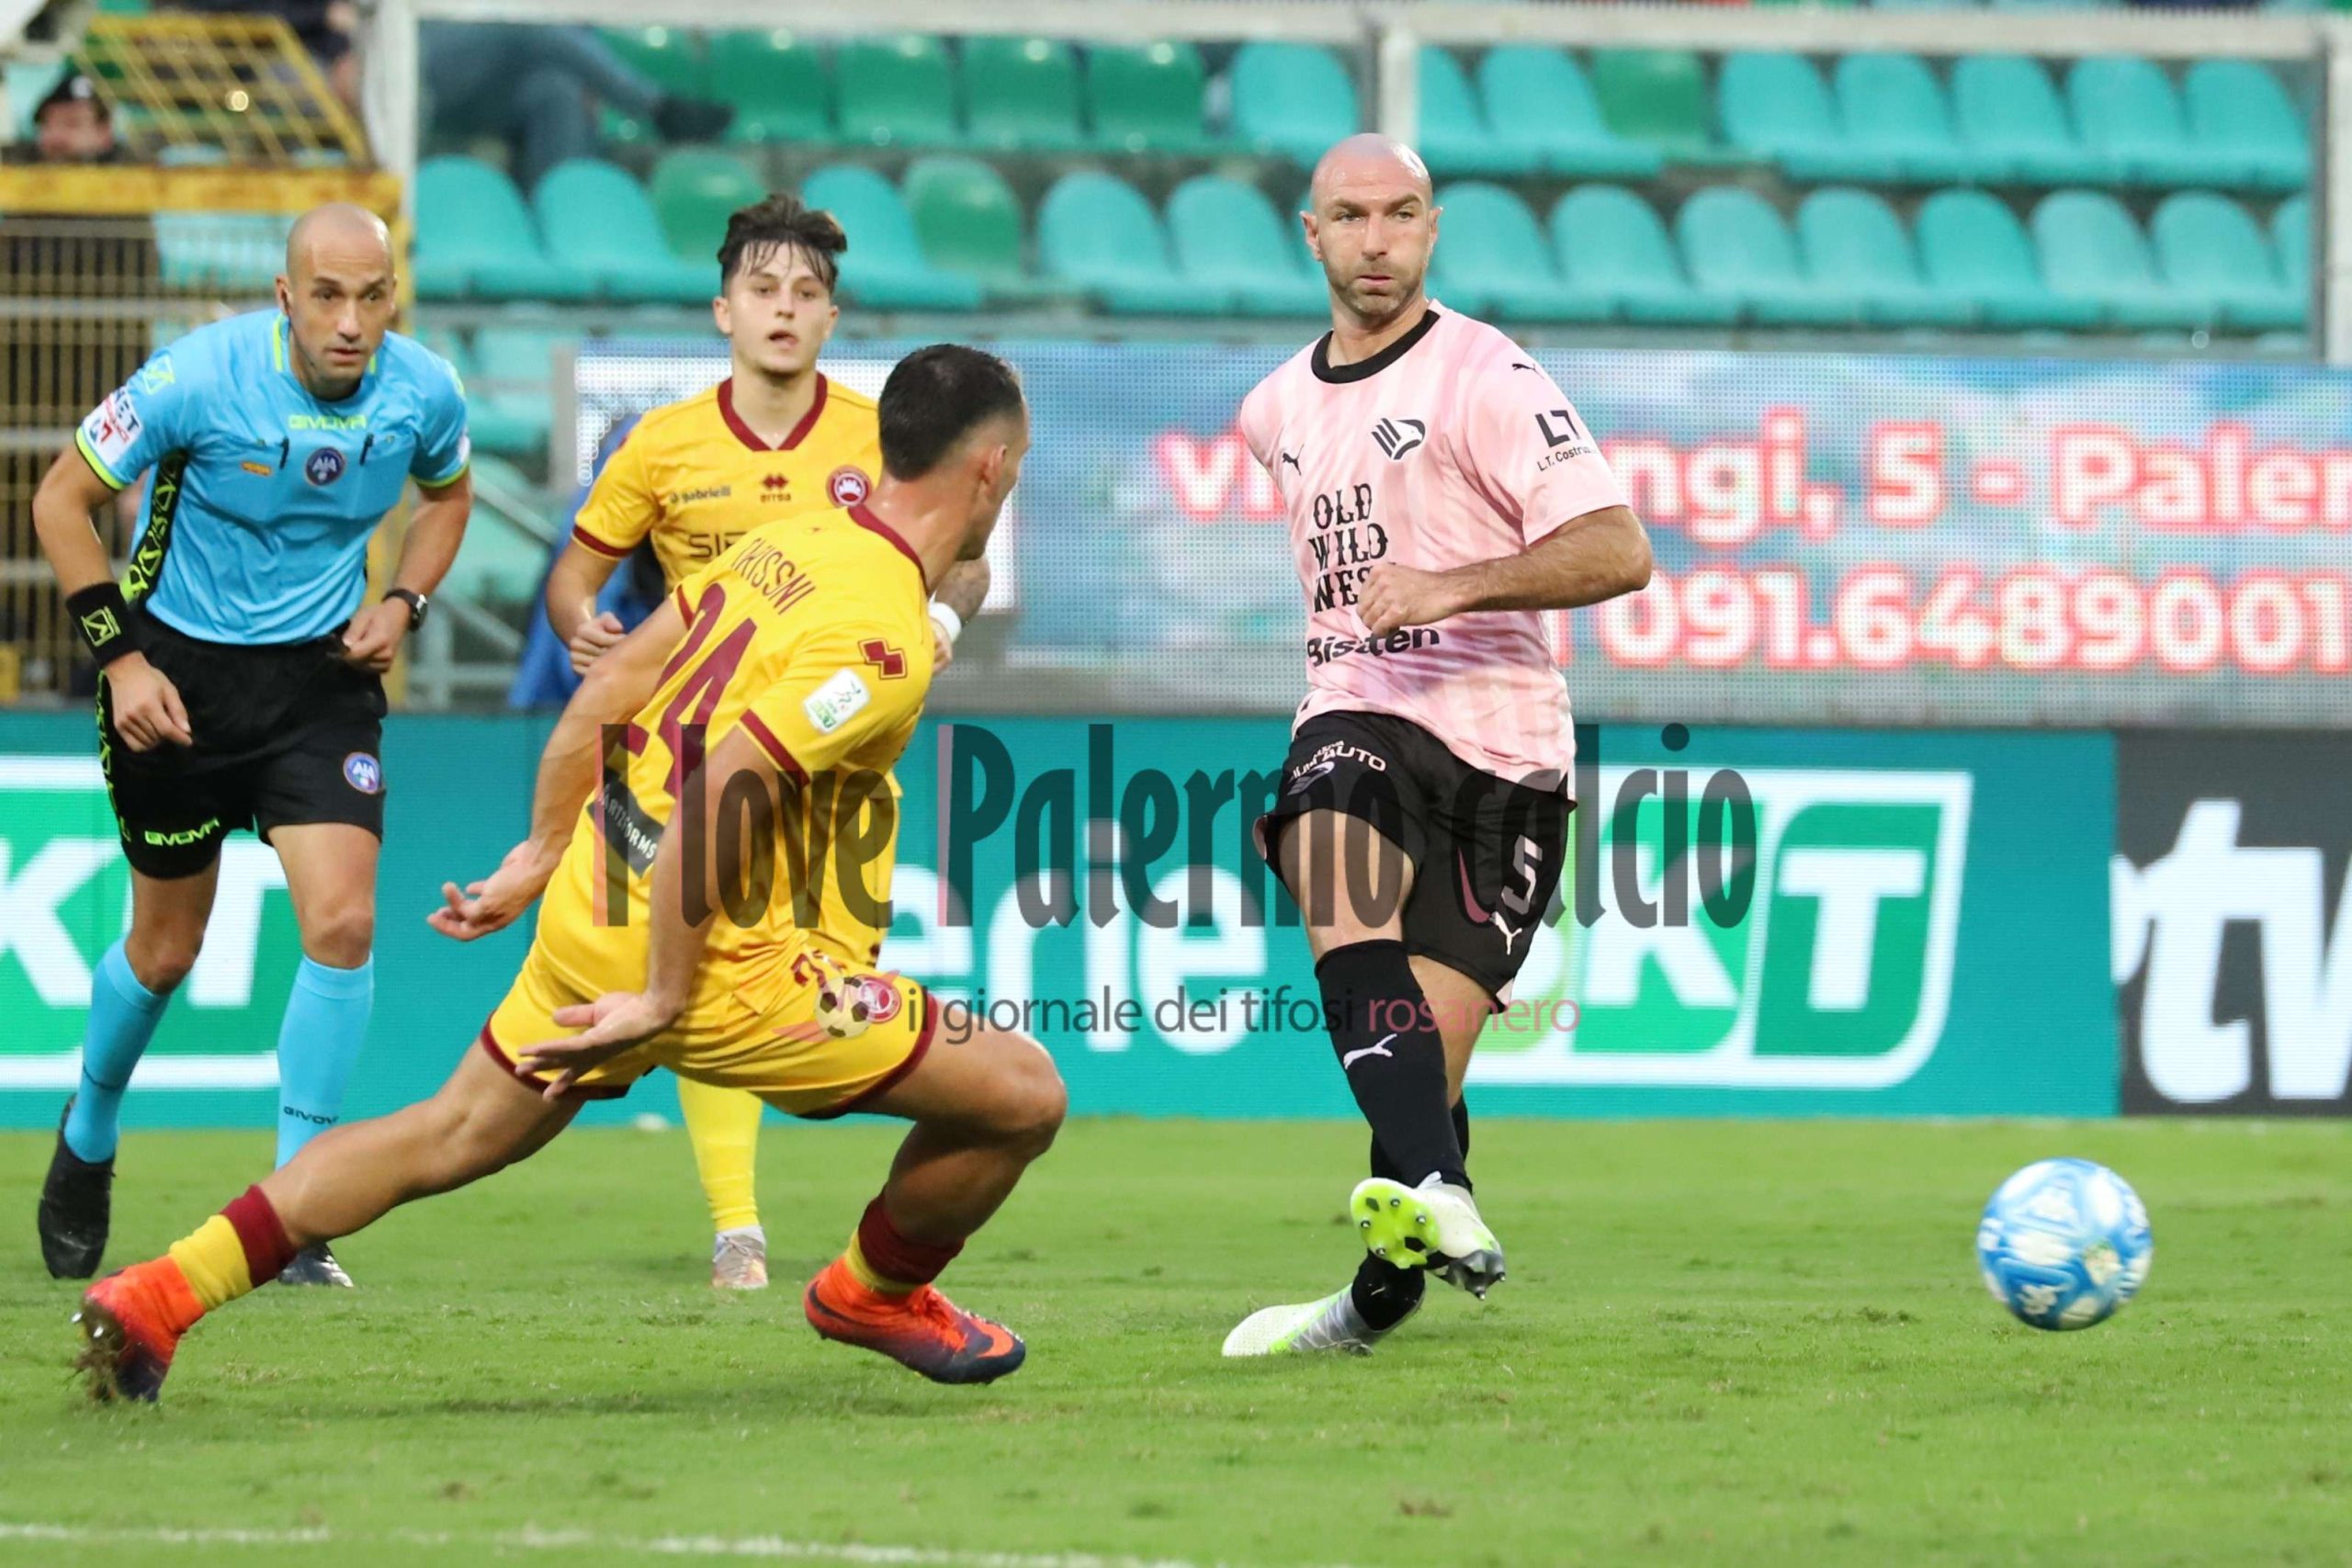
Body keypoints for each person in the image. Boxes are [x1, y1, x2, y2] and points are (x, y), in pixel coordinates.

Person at [71, 344, 1062, 1404]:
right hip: (714, 960)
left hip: (600, 892)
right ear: (994, 468)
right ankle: (872, 1292)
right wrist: (666, 995)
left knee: (446, 1132)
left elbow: (618, 679)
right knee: (1020, 1094)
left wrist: (543, 851)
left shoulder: (792, 544)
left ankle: (159, 1294)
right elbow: (728, 792)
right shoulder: (881, 642)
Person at [1221, 136, 1653, 1357]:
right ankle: (1442, 1195)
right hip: (1360, 706)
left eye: (1400, 214)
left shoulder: (1489, 378)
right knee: (1332, 865)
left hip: (1507, 758)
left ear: (1433, 226)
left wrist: (1453, 587)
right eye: (1349, 216)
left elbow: (1620, 548)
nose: (1376, 239)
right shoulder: (1274, 408)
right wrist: (1385, 618)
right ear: (1311, 233)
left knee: (1421, 1080)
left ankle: (1376, 1296)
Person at [538, 191, 991, 1291]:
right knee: (710, 953)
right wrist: (581, 629)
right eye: (763, 290)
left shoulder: (876, 436)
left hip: (824, 764)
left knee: (811, 983)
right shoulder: (662, 442)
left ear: (831, 319)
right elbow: (573, 577)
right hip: (682, 756)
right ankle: (739, 1225)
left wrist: (939, 619)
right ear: (722, 310)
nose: (784, 310)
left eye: (806, 293)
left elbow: (966, 558)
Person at [30, 204, 473, 1290]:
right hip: (177, 678)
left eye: (372, 297)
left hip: (320, 685)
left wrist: (407, 597)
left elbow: (449, 495)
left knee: (344, 921)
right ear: (285, 297)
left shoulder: (426, 390)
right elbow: (59, 500)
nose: (351, 321)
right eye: (327, 295)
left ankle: (290, 1216)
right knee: (165, 954)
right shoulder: (195, 377)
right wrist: (121, 663)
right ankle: (88, 1132)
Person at [420, 23, 730, 195]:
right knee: (530, 23)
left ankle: (561, 225)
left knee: (558, 91)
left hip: (483, 81)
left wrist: (588, 82)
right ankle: (658, 108)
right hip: (413, 60)